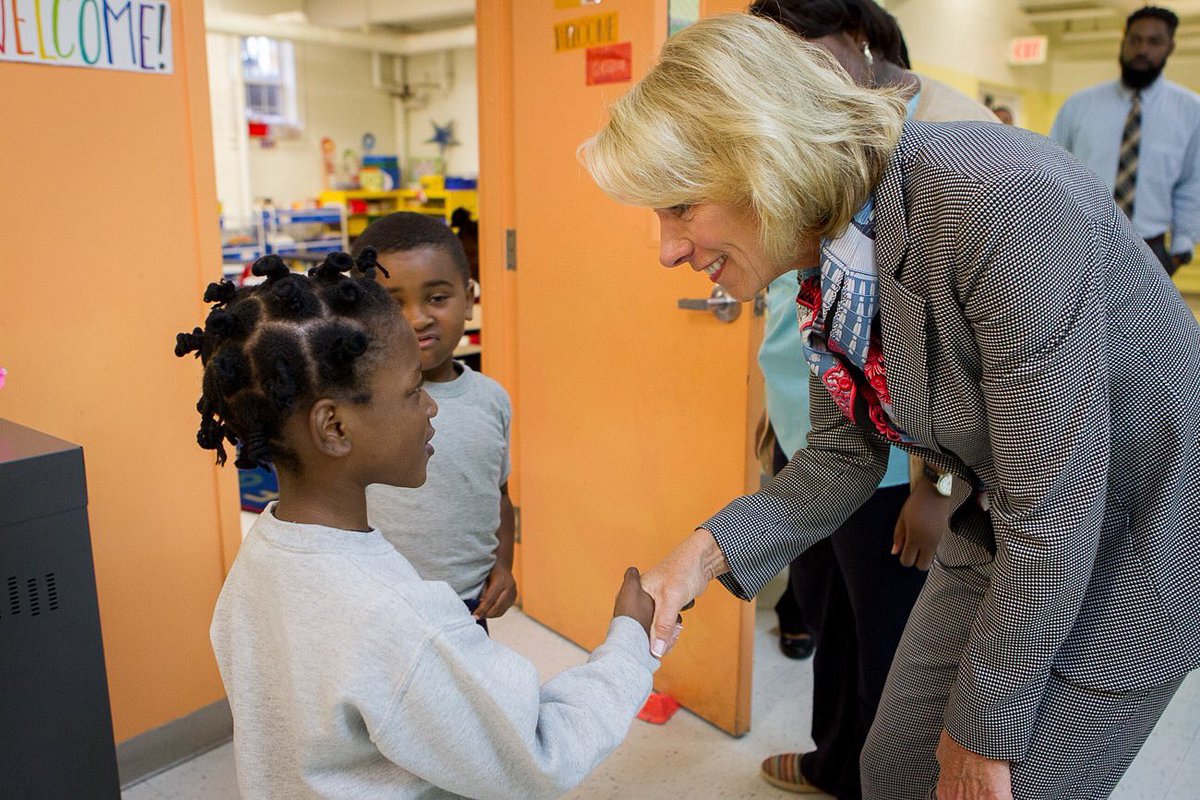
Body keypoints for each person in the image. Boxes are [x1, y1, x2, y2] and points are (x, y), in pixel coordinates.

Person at [580, 13, 1200, 799]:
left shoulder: (1001, 202)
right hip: (1021, 515)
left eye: (678, 208)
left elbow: (1060, 507)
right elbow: (841, 457)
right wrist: (696, 559)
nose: (666, 248)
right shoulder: (831, 260)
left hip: (1145, 530)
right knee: (895, 766)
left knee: (1001, 780)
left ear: (762, 160)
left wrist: (985, 733)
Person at [174, 252, 658, 797]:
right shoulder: (398, 618)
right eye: (411, 391)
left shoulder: (261, 554)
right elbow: (539, 755)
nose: (431, 407)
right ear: (334, 426)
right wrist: (629, 642)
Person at [744, 1, 998, 795]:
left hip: (896, 459)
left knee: (887, 634)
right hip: (811, 418)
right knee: (825, 613)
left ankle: (878, 778)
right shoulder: (806, 124)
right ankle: (834, 763)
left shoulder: (953, 135)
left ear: (858, 37)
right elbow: (802, 284)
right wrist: (775, 403)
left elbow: (959, 340)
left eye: (803, 55)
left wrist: (937, 487)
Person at [351, 212, 516, 629]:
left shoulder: (491, 399)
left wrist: (503, 566)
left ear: (470, 296)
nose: (417, 318)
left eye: (437, 298)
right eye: (392, 304)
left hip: (468, 608)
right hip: (378, 608)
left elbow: (498, 494)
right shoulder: (356, 403)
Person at [1051, 5, 1200, 275]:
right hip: (1080, 241)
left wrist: (1180, 251)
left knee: (1147, 319)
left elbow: (1192, 184)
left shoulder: (1191, 111)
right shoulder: (1078, 106)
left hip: (1151, 249)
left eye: (1154, 41)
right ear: (1124, 41)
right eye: (1135, 39)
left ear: (1170, 47)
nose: (1142, 50)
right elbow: (1052, 173)